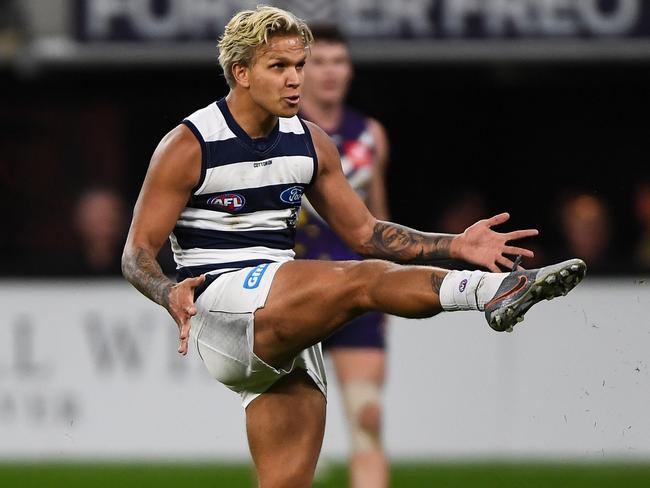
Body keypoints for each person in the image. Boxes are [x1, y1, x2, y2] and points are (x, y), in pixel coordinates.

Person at [121, 6, 586, 487]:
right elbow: (136, 253)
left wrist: (458, 243)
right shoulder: (190, 144)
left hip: (279, 327)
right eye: (278, 67)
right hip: (223, 308)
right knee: (361, 279)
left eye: (298, 66)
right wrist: (166, 291)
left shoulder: (310, 142)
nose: (294, 79)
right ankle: (491, 292)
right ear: (241, 72)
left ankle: (487, 286)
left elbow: (367, 234)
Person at [295, 25, 391, 487]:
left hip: (357, 290)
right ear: (301, 71)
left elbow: (379, 220)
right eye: (320, 62)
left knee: (367, 420)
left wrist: (392, 280)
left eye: (339, 61)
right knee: (288, 434)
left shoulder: (369, 135)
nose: (330, 72)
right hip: (293, 290)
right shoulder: (276, 133)